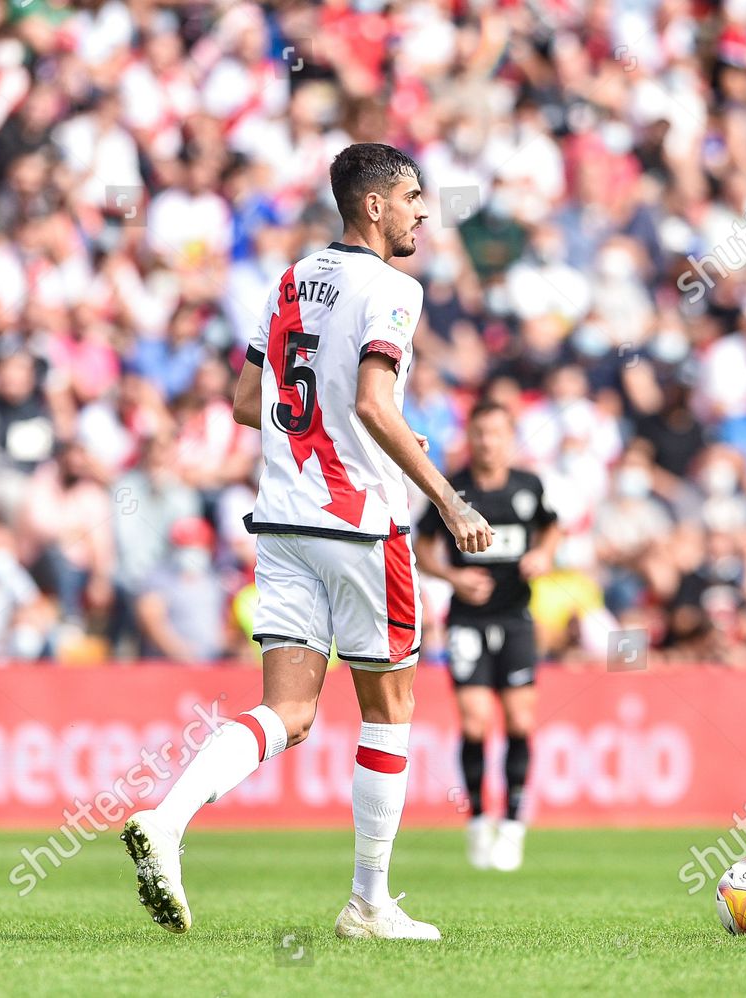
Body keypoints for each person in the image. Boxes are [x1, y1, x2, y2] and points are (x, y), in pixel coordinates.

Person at [122, 143, 492, 940]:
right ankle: (368, 903)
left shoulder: (288, 280)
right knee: (389, 707)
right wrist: (449, 500)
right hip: (361, 522)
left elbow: (246, 403)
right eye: (413, 197)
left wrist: (347, 430)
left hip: (285, 518)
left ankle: (169, 818)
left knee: (288, 712)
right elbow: (372, 403)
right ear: (374, 207)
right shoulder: (396, 288)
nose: (424, 212)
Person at [415, 401, 558, 872]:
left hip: (516, 618)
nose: (487, 442)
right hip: (468, 621)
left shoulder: (527, 486)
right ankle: (478, 821)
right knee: (475, 723)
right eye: (479, 433)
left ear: (509, 436)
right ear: (470, 437)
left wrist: (543, 556)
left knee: (519, 721)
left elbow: (551, 528)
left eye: (496, 433)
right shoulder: (454, 489)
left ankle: (513, 825)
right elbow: (421, 546)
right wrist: (454, 580)